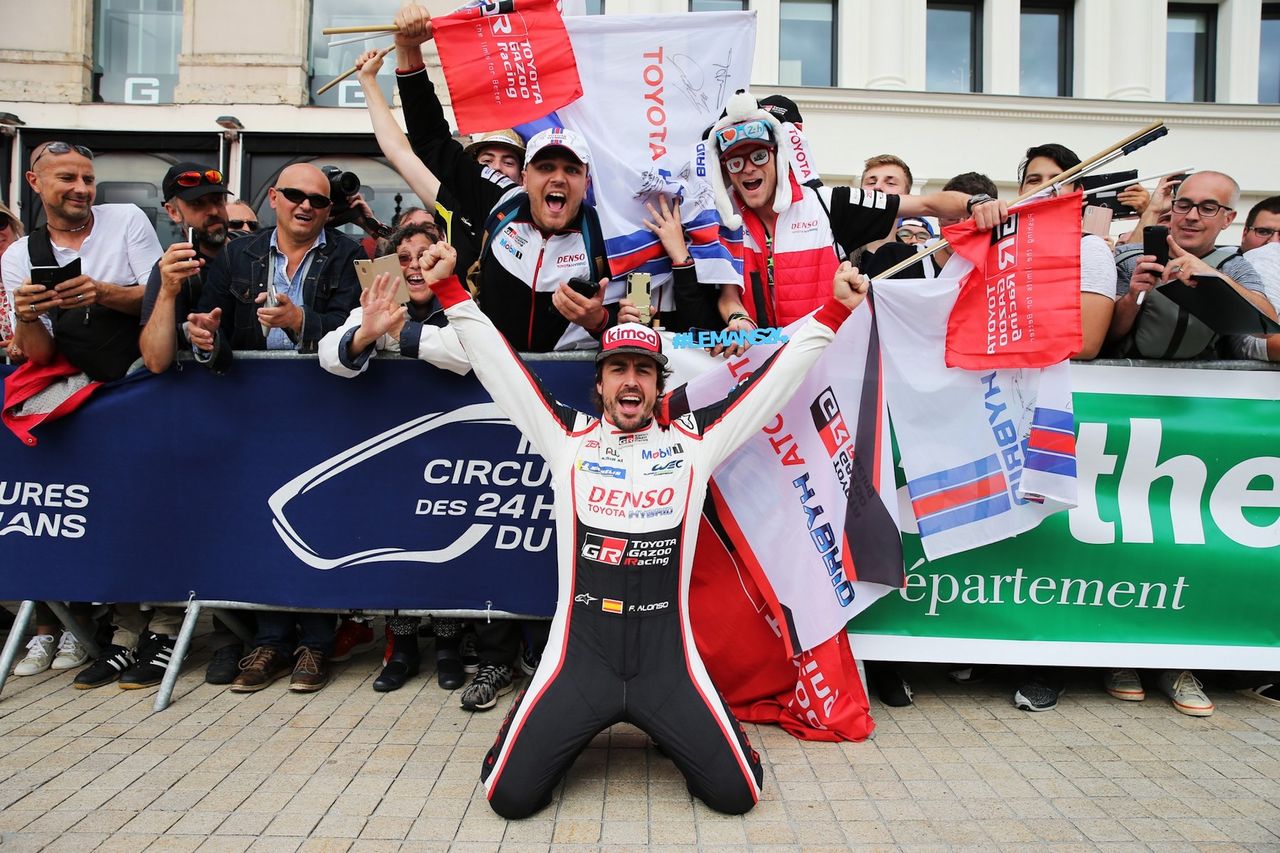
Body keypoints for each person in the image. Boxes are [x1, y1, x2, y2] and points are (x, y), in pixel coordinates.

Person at [421, 227, 873, 818]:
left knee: (739, 798)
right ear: (600, 383)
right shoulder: (569, 439)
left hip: (668, 661)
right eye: (618, 369)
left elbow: (772, 384)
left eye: (643, 370)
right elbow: (499, 367)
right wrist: (450, 288)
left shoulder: (695, 441)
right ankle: (533, 713)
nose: (630, 380)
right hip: (580, 659)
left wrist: (834, 309)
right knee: (509, 800)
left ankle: (691, 728)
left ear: (661, 385)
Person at [188, 162, 364, 694]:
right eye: (294, 194)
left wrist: (300, 323)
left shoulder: (350, 254)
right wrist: (203, 336)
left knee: (314, 521)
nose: (305, 204)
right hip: (253, 412)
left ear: (330, 210)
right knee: (260, 523)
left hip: (324, 409)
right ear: (273, 198)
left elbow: (361, 329)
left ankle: (315, 641)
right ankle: (270, 640)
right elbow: (204, 320)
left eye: (318, 199)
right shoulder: (238, 254)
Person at [2, 141, 164, 690]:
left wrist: (101, 292)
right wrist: (26, 317)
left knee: (148, 510)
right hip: (78, 401)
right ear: (35, 182)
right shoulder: (20, 256)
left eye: (88, 179)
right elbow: (40, 354)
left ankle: (148, 628)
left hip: (142, 387)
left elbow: (159, 298)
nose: (80, 188)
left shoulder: (126, 220)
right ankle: (95, 626)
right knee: (91, 517)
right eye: (67, 177)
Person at [388, 6, 613, 353]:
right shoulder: (500, 197)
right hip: (491, 374)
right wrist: (409, 52)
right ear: (524, 177)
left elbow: (636, 323)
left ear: (586, 182)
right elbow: (432, 143)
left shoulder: (605, 230)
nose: (558, 179)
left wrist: (600, 322)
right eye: (545, 168)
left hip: (567, 380)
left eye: (571, 170)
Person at [318, 222, 471, 692]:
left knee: (443, 543)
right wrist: (366, 334)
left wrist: (403, 334)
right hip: (393, 453)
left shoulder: (459, 303)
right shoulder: (377, 305)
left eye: (425, 255)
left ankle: (449, 642)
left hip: (452, 453)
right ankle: (400, 645)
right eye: (404, 258)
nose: (415, 266)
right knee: (395, 542)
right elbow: (330, 354)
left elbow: (467, 355)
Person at [704, 92, 1007, 330]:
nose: (748, 169)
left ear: (780, 157)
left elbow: (927, 203)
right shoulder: (725, 220)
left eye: (758, 156)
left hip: (826, 364)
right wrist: (737, 320)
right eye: (735, 162)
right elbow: (729, 296)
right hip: (761, 369)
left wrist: (976, 202)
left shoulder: (829, 202)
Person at [1105, 170, 1274, 361]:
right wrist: (1133, 297)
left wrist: (1214, 276)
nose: (1192, 216)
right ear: (1172, 209)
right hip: (1122, 381)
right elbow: (1104, 334)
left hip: (1198, 385)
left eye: (1208, 208)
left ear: (1228, 219)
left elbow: (1266, 328)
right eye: (1184, 205)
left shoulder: (1234, 267)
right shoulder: (1130, 258)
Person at [1015, 143, 1117, 360]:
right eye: (1034, 180)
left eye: (1058, 181)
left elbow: (1086, 343)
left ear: (1078, 192)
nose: (1046, 188)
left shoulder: (1090, 249)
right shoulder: (1005, 247)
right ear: (1021, 192)